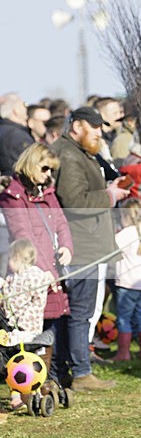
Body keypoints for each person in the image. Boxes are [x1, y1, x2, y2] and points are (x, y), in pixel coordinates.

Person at [52, 106, 130, 391]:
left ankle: (65, 370)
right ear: (77, 126)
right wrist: (110, 195)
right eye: (95, 126)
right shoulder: (69, 154)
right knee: (79, 312)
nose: (100, 132)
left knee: (74, 312)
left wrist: (112, 186)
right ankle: (81, 373)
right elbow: (75, 200)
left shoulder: (77, 150)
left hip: (84, 243)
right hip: (80, 245)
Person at [0, 143, 72, 383]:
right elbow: (24, 235)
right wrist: (45, 272)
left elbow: (61, 222)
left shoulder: (48, 191)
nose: (49, 175)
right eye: (45, 169)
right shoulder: (13, 195)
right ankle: (31, 380)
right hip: (31, 272)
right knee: (32, 330)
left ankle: (50, 376)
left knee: (52, 327)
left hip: (52, 269)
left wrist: (66, 247)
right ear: (31, 165)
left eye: (51, 170)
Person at [0, 239, 54, 409]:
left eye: (10, 259)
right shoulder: (12, 277)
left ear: (18, 258)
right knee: (14, 361)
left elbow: (33, 298)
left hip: (26, 327)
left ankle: (30, 392)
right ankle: (17, 395)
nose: (8, 263)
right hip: (14, 327)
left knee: (22, 360)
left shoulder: (35, 276)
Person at [113, 198, 141, 361]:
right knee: (140, 316)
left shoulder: (126, 233)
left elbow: (111, 248)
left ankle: (123, 353)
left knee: (124, 318)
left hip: (127, 283)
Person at [0, 93, 34, 176]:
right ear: (16, 110)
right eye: (23, 105)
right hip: (17, 184)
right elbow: (31, 164)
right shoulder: (17, 136)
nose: (26, 108)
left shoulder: (4, 130)